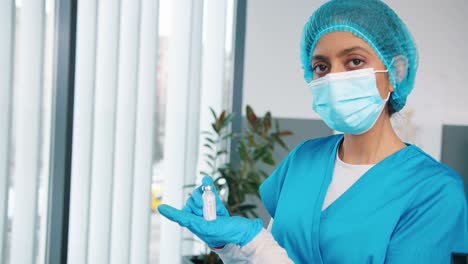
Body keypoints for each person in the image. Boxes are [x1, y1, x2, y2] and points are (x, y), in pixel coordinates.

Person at [158, 0, 468, 263]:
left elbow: (267, 252)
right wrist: (229, 245)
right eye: (321, 67)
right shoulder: (304, 160)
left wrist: (256, 244)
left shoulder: (435, 192)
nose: (334, 78)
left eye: (354, 61)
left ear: (395, 72)